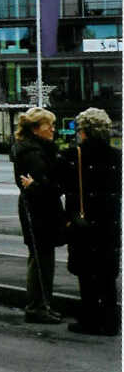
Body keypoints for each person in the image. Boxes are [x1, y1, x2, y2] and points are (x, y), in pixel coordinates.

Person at [59, 108, 121, 335]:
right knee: (107, 276)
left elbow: (58, 184)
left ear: (84, 131)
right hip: (109, 225)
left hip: (82, 223)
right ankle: (111, 321)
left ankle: (90, 320)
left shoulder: (73, 156)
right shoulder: (117, 156)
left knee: (87, 275)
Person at [13, 107, 65, 324]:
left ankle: (41, 305)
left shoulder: (34, 149)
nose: (53, 129)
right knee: (42, 259)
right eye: (48, 125)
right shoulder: (34, 153)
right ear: (36, 129)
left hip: (36, 208)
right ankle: (37, 307)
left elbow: (43, 183)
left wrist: (43, 185)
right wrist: (50, 185)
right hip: (39, 210)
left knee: (40, 258)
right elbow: (49, 185)